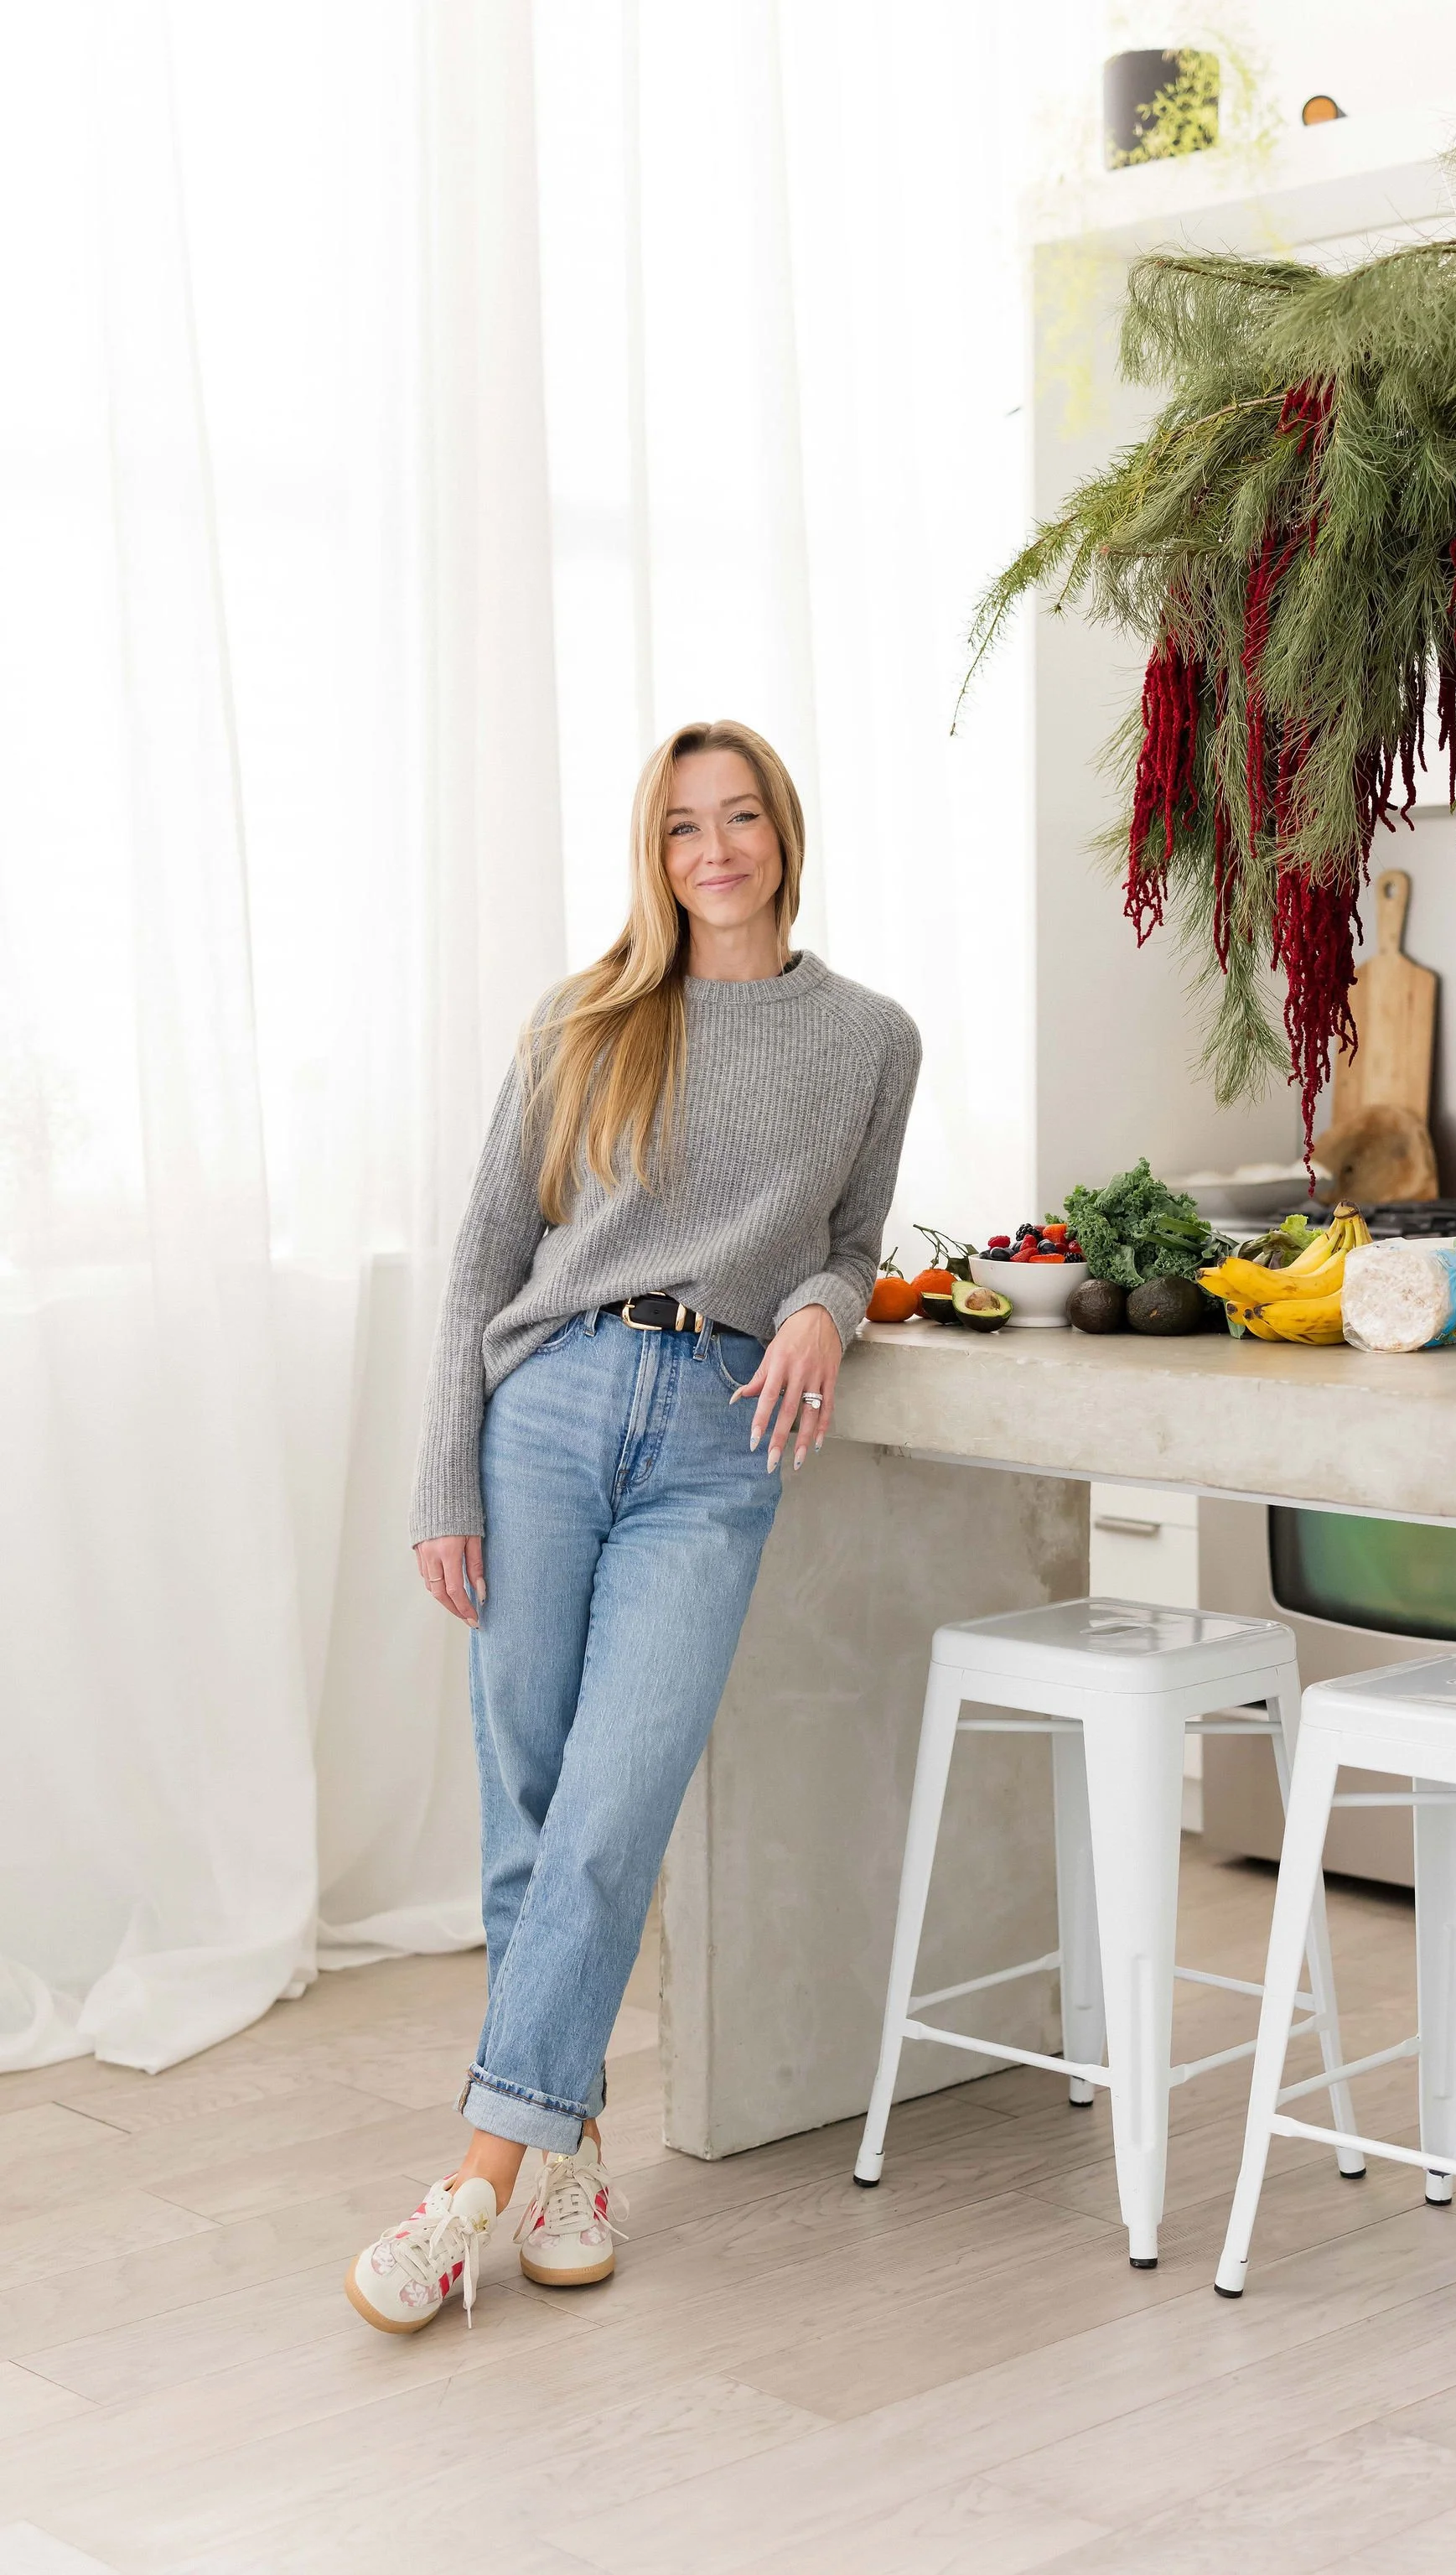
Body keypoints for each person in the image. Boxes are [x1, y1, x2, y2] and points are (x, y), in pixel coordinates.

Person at [345, 719, 920, 2331]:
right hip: (546, 1411)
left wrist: (820, 1306)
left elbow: (855, 1239)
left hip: (718, 1439)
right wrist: (441, 1477)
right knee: (531, 1798)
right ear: (653, 854)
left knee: (609, 1807)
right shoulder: (589, 1020)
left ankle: (470, 2187)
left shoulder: (871, 1037)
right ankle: (574, 2147)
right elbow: (481, 1262)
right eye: (683, 827)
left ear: (784, 836)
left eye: (740, 818)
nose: (715, 849)